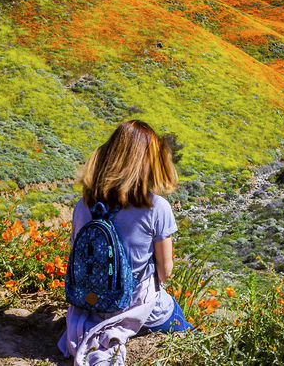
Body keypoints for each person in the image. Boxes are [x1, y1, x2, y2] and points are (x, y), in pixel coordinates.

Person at [58, 120, 191, 365]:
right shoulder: (156, 207)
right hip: (136, 309)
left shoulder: (83, 205)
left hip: (89, 305)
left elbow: (76, 252)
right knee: (179, 320)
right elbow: (165, 272)